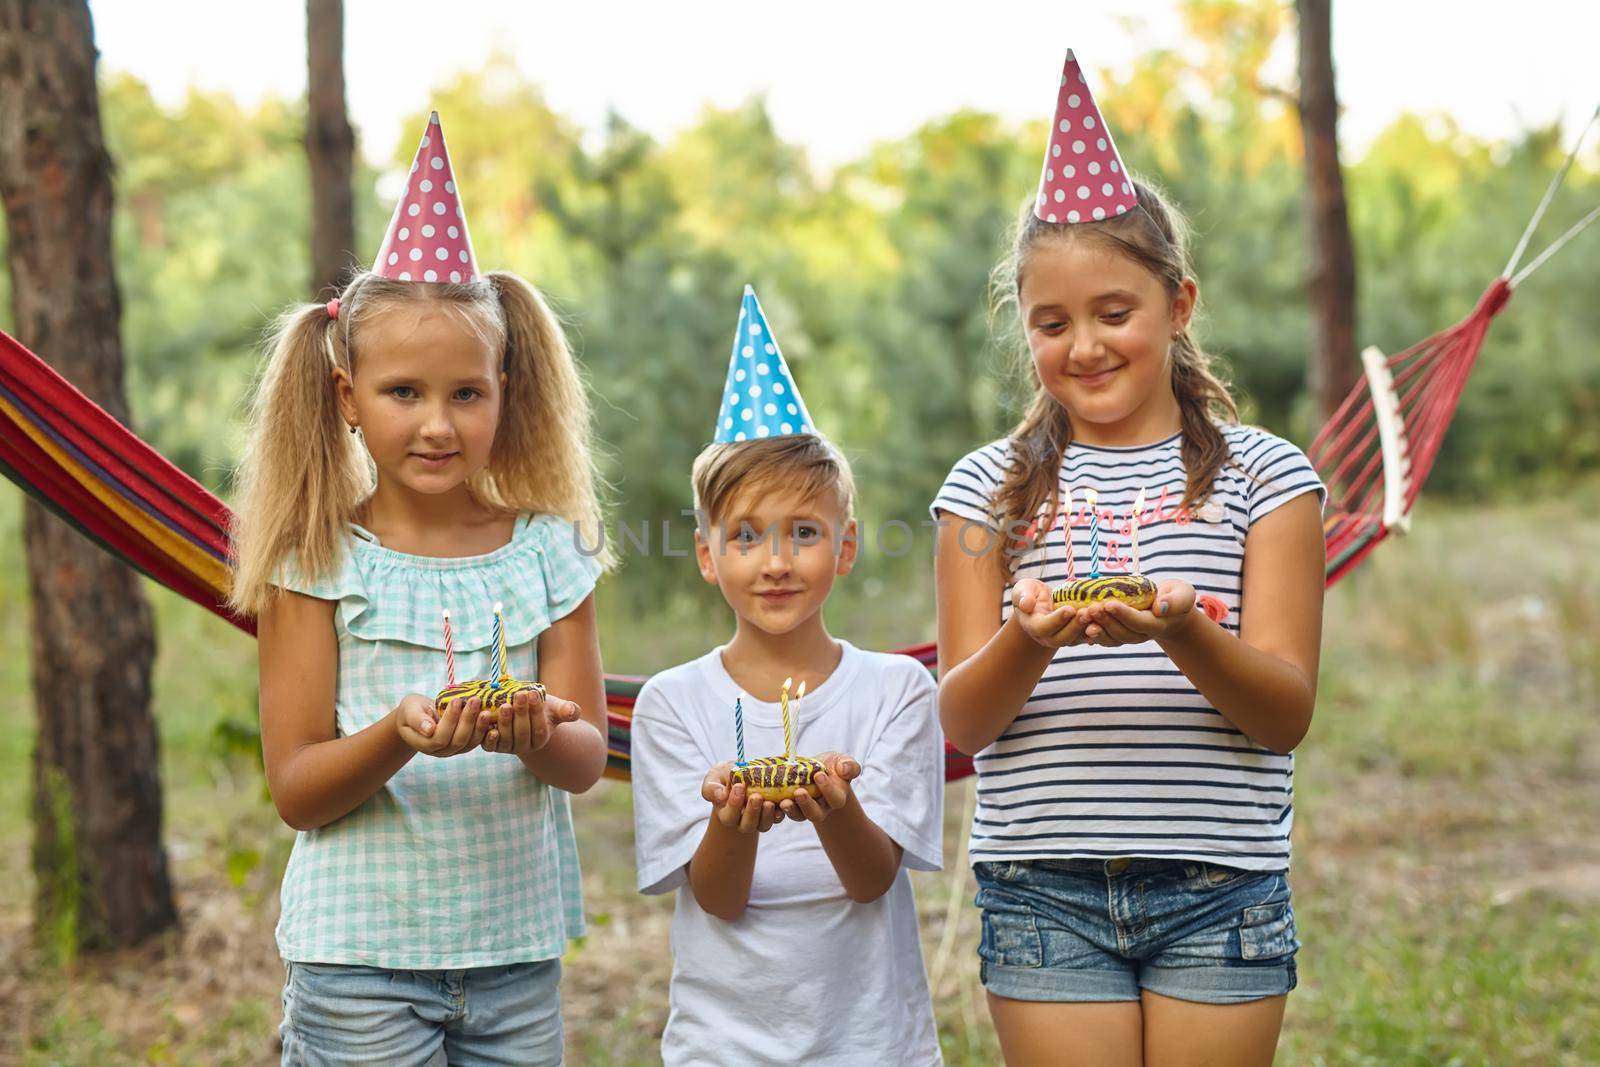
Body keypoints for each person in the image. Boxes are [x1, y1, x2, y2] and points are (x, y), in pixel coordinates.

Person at [932, 52, 1326, 1067]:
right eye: (1051, 323)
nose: (1086, 345)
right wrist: (1027, 641)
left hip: (1219, 885)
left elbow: (1283, 710)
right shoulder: (982, 488)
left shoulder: (1266, 478)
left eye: (1115, 312)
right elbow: (964, 721)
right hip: (1041, 885)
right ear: (1025, 331)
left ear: (1178, 304)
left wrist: (1184, 629)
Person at [229, 113, 608, 1067]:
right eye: (404, 392)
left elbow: (586, 754)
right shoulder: (313, 560)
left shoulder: (550, 553)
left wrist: (537, 727)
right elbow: (298, 789)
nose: (437, 425)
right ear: (347, 394)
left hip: (516, 961)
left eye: (465, 394)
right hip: (357, 964)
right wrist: (398, 734)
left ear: (505, 390)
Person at [631, 286, 945, 1066]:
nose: (775, 562)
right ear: (707, 557)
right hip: (724, 1046)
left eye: (803, 533)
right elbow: (719, 896)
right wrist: (734, 817)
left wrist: (833, 807)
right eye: (745, 536)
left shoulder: (899, 691)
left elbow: (873, 880)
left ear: (845, 548)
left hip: (873, 1043)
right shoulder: (671, 705)